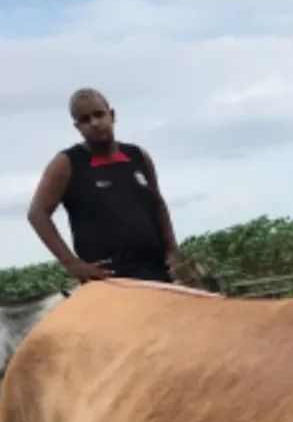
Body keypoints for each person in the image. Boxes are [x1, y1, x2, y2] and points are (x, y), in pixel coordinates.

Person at [27, 89, 180, 284]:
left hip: (156, 272)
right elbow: (37, 213)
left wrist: (172, 250)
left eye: (99, 114)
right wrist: (73, 264)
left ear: (112, 115)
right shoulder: (67, 164)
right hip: (109, 280)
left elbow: (157, 204)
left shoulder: (138, 156)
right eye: (85, 119)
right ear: (78, 127)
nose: (95, 123)